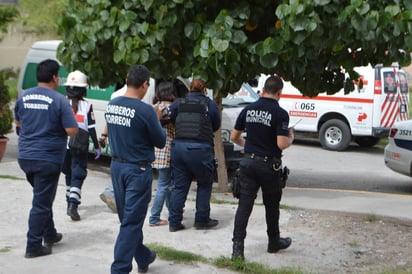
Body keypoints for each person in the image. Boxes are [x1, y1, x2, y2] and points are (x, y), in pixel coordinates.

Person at [14, 59, 78, 258]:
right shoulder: (58, 100)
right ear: (54, 77)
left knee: (43, 195)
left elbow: (18, 123)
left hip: (25, 157)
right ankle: (33, 245)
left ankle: (49, 233)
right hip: (47, 159)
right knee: (41, 202)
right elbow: (72, 130)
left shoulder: (23, 97)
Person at [105, 65, 166, 274]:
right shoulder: (146, 110)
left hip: (117, 168)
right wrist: (156, 119)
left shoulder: (112, 105)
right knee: (130, 223)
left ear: (126, 79)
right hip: (137, 171)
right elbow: (160, 141)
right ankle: (119, 269)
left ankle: (143, 256)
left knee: (128, 220)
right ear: (144, 85)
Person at [230, 75, 294, 260]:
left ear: (264, 89)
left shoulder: (248, 109)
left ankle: (237, 249)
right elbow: (281, 143)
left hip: (248, 163)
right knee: (272, 206)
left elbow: (234, 136)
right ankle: (273, 242)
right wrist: (291, 138)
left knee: (244, 206)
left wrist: (248, 147)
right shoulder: (280, 113)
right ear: (280, 92)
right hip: (268, 166)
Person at [167, 78, 221, 232]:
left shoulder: (179, 103)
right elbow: (215, 125)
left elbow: (165, 118)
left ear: (190, 89)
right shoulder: (210, 105)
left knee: (179, 187)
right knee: (204, 184)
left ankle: (174, 222)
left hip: (178, 149)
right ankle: (202, 220)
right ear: (204, 90)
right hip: (200, 150)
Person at [62, 70, 101, 221]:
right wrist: (97, 146)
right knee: (78, 175)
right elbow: (91, 129)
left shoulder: (61, 103)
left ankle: (68, 201)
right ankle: (73, 204)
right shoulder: (87, 106)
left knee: (69, 174)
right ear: (83, 89)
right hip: (79, 146)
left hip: (63, 146)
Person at [149, 81, 177, 227]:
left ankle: (172, 213)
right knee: (164, 185)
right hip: (168, 149)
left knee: (165, 184)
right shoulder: (171, 109)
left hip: (156, 150)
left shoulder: (154, 108)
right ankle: (154, 217)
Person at [99, 84, 126, 214]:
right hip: (126, 138)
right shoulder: (137, 95)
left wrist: (104, 135)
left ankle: (113, 194)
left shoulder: (115, 95)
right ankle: (110, 192)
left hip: (115, 137)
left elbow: (109, 119)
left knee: (118, 165)